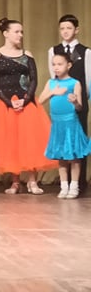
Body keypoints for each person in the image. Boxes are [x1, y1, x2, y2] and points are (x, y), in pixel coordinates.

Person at [0, 18, 53, 195]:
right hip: (5, 104)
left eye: (21, 32)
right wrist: (9, 102)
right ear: (6, 34)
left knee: (30, 140)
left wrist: (26, 100)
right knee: (12, 142)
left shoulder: (27, 55)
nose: (20, 35)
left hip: (26, 102)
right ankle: (15, 182)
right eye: (16, 31)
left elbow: (33, 79)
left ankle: (32, 181)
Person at [48, 14, 90, 195]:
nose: (65, 31)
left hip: (78, 102)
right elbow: (53, 77)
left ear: (76, 30)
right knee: (62, 141)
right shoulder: (54, 50)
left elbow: (88, 78)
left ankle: (79, 183)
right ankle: (65, 184)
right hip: (60, 104)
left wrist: (81, 100)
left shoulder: (85, 51)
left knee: (78, 143)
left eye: (69, 28)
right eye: (62, 28)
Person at [39, 53, 89, 199]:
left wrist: (75, 102)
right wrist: (52, 92)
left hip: (71, 123)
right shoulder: (51, 83)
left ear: (69, 65)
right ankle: (64, 186)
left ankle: (74, 186)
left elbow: (79, 107)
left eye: (59, 64)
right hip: (57, 124)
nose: (56, 67)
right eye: (54, 64)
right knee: (61, 157)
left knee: (74, 157)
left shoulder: (75, 83)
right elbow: (40, 100)